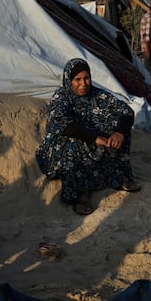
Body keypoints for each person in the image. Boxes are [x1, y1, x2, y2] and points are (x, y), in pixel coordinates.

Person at [36, 58, 141, 215]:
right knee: (73, 142)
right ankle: (80, 194)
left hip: (93, 141)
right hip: (61, 149)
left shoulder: (98, 96)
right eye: (77, 80)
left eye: (86, 78)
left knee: (119, 129)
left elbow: (125, 111)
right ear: (69, 80)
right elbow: (64, 124)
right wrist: (95, 138)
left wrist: (119, 132)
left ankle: (118, 176)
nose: (83, 84)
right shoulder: (61, 97)